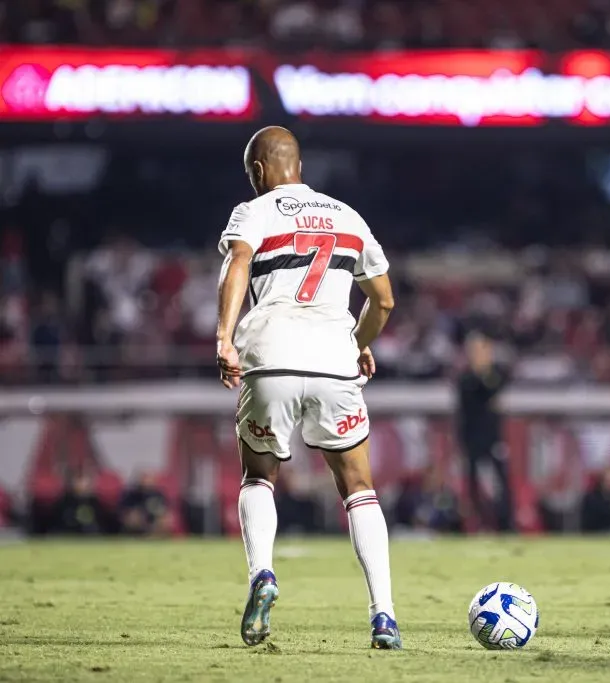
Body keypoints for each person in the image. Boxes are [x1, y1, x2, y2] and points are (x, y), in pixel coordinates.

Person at [215, 126, 400, 649]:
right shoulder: (348, 216)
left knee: (259, 478)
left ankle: (263, 576)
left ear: (258, 171)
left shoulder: (253, 211)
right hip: (333, 363)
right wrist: (360, 342)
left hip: (270, 357)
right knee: (359, 489)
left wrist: (225, 338)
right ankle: (383, 615)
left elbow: (238, 265)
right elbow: (383, 301)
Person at [455, 332, 513, 531]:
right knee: (473, 485)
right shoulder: (464, 378)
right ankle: (476, 525)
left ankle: (505, 525)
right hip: (471, 439)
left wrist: (485, 372)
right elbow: (473, 399)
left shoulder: (496, 374)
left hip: (492, 438)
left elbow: (494, 388)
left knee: (500, 483)